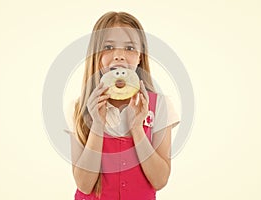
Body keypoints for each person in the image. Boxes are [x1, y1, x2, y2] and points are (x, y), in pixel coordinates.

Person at [69, 11, 180, 200]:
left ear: (140, 58)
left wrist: (137, 127)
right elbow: (84, 185)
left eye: (129, 48)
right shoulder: (79, 108)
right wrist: (97, 124)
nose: (119, 56)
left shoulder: (160, 106)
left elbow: (160, 180)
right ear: (96, 55)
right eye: (109, 47)